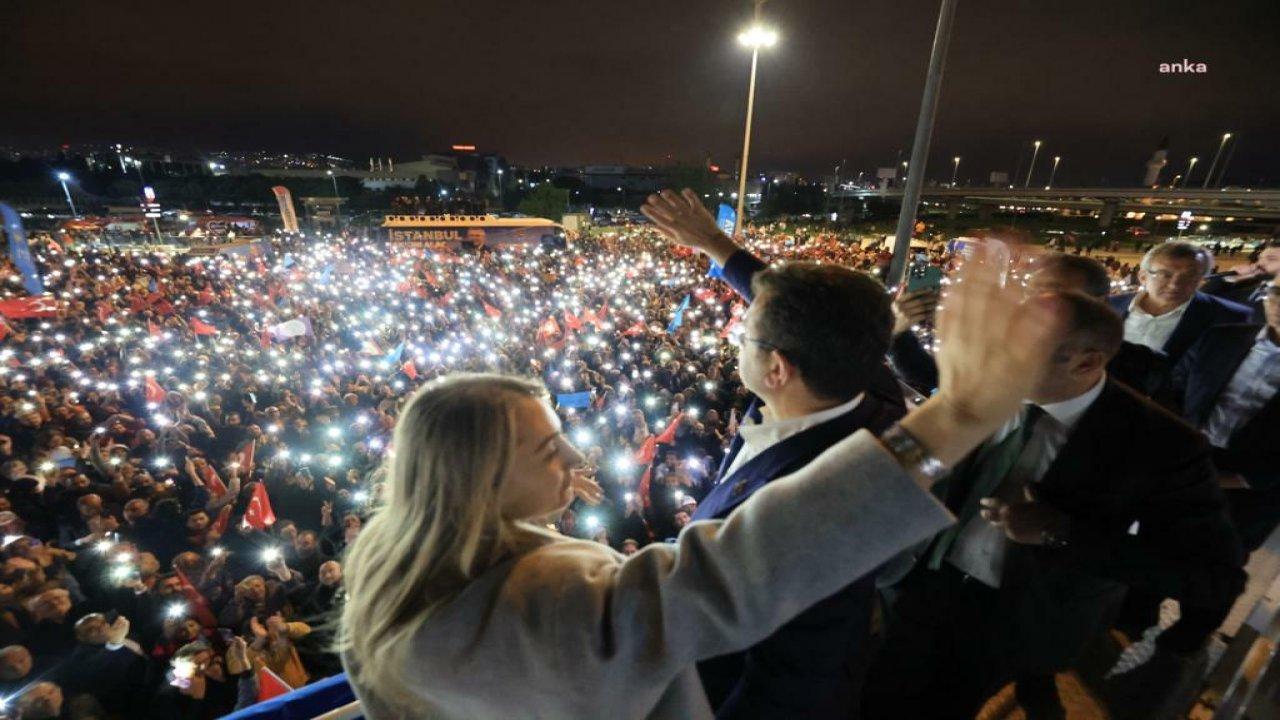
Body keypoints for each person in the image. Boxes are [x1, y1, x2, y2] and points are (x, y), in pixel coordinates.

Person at [337, 238, 1067, 719]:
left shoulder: (389, 563)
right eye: (549, 449)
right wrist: (955, 417)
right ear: (480, 480)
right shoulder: (550, 600)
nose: (578, 460)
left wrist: (532, 526)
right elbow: (733, 573)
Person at [865, 291, 1245, 720]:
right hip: (916, 586)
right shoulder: (981, 385)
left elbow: (1215, 579)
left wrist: (1062, 533)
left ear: (1086, 362)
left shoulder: (1160, 444)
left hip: (1013, 621)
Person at [643, 188, 904, 718]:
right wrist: (718, 247)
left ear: (777, 370)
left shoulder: (815, 504)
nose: (737, 335)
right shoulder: (866, 386)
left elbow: (791, 681)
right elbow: (819, 314)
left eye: (745, 337)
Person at [892, 252, 1171, 397]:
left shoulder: (1144, 371)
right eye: (1032, 293)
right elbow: (931, 376)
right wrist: (899, 332)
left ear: (1099, 303)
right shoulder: (998, 350)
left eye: (1056, 295)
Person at [1168, 279, 1280, 552]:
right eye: (1277, 291)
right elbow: (1173, 390)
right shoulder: (1221, 337)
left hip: (1245, 499)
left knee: (1208, 581)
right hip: (1178, 470)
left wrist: (1234, 480)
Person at [1107, 242, 1252, 365]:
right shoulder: (1108, 306)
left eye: (1189, 276)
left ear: (1202, 280)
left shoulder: (1227, 317)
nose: (1174, 285)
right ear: (1143, 277)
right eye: (1165, 275)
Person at [1200, 239, 1280, 321]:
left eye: (1271, 259)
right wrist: (1229, 278)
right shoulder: (1246, 287)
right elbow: (1200, 303)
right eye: (1260, 258)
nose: (1260, 263)